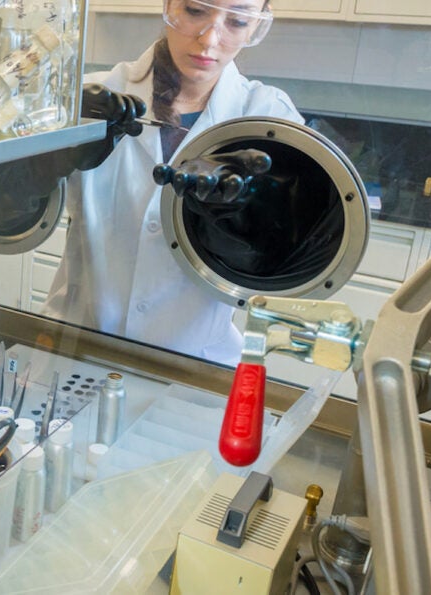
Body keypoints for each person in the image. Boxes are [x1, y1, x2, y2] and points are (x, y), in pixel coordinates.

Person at [41, 0, 304, 365]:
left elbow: (292, 257)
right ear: (168, 5)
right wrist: (42, 160)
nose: (210, 38)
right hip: (76, 349)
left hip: (195, 365)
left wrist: (246, 224)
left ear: (256, 26)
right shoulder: (92, 98)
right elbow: (6, 215)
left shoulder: (268, 118)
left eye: (238, 21)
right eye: (196, 11)